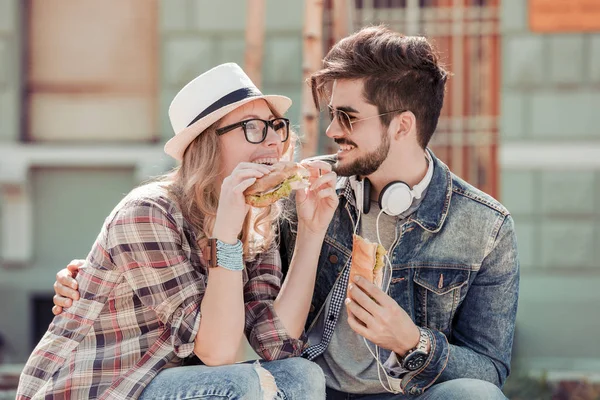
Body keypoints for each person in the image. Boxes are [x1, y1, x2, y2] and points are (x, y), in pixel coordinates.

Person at [54, 26, 520, 399]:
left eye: (348, 117)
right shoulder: (296, 193)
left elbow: (491, 367)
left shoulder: (484, 226)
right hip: (291, 385)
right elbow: (223, 343)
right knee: (287, 378)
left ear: (401, 125)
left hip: (405, 391)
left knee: (475, 395)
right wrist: (88, 278)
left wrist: (410, 341)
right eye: (330, 114)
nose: (331, 131)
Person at [19, 63, 336, 400]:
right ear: (207, 144)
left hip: (169, 386)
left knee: (301, 376)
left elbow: (275, 342)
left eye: (276, 126)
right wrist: (225, 237)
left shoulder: (255, 216)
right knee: (236, 385)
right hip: (95, 389)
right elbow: (219, 352)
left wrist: (312, 232)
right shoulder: (147, 213)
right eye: (254, 127)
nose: (274, 140)